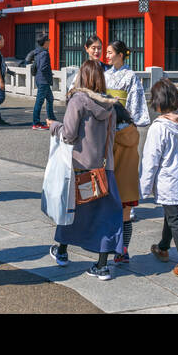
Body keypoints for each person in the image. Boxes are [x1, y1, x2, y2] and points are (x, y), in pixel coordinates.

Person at [48, 60, 122, 280]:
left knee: (72, 211)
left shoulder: (78, 100)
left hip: (80, 167)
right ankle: (102, 265)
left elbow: (69, 134)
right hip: (104, 167)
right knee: (104, 216)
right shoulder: (110, 104)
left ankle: (62, 251)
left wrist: (53, 125)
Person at [141, 78, 178, 278]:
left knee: (174, 218)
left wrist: (144, 187)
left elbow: (151, 160)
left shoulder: (159, 128)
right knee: (172, 212)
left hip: (168, 179)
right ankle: (164, 247)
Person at [110, 99, 140, 265]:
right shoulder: (134, 131)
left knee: (110, 218)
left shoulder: (112, 135)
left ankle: (110, 247)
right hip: (130, 183)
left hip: (114, 183)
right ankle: (124, 251)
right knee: (126, 218)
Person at [103, 39, 150, 126]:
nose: (106, 56)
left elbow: (135, 99)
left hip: (122, 118)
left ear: (120, 55)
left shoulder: (130, 75)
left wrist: (129, 119)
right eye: (107, 53)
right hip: (106, 117)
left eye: (110, 53)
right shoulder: (105, 74)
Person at [25, 31, 56, 129]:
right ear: (45, 42)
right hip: (44, 81)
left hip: (40, 79)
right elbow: (43, 67)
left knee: (50, 99)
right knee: (39, 101)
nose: (50, 41)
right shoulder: (44, 53)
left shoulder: (38, 52)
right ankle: (36, 123)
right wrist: (49, 73)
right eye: (48, 40)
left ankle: (52, 118)